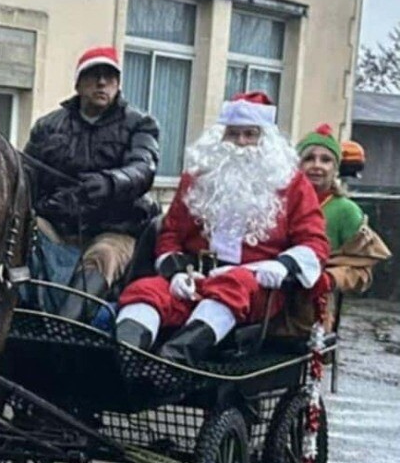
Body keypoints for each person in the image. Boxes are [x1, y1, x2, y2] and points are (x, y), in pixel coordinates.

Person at [115, 92, 329, 365]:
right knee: (147, 289)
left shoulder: (292, 184)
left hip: (255, 288)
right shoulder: (198, 178)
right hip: (197, 278)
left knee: (233, 286)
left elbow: (315, 242)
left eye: (250, 134)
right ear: (220, 137)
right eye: (233, 134)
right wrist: (176, 272)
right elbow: (171, 234)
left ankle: (174, 360)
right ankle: (126, 357)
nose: (240, 143)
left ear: (265, 140)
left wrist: (283, 265)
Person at [24, 46, 160, 318]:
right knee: (24, 233)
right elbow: (25, 174)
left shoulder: (141, 124)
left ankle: (66, 325)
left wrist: (111, 183)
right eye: (93, 75)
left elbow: (143, 168)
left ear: (118, 84)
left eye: (109, 77)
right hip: (59, 226)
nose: (101, 83)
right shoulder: (47, 126)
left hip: (116, 229)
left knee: (104, 256)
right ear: (78, 83)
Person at [287, 124, 391, 328]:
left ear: (335, 168)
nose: (317, 165)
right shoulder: (279, 203)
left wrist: (331, 278)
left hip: (311, 313)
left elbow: (363, 271)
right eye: (309, 158)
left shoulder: (346, 211)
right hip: (266, 305)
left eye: (326, 160)